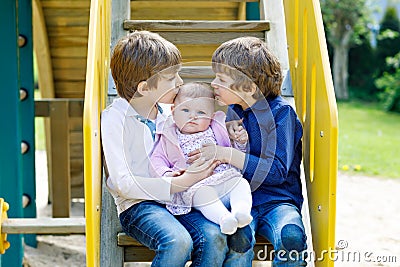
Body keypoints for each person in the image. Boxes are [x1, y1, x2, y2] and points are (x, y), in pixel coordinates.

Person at [101, 31, 253, 267]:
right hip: (139, 205)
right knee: (177, 241)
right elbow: (123, 183)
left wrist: (227, 128)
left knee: (215, 237)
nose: (181, 82)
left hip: (181, 201)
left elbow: (200, 128)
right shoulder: (116, 119)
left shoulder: (169, 115)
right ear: (144, 87)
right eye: (172, 77)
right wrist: (182, 182)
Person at [189, 36, 308, 266]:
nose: (213, 83)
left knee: (290, 236)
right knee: (238, 240)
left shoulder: (281, 115)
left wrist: (225, 153)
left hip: (278, 201)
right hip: (240, 200)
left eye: (221, 78)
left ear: (249, 87)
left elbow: (276, 172)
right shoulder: (234, 111)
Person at [150, 82, 252, 235]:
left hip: (226, 178)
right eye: (185, 110)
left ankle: (241, 211)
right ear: (173, 111)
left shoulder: (218, 128)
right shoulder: (168, 136)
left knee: (241, 183)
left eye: (201, 113)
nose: (193, 116)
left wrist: (240, 142)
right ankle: (224, 219)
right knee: (202, 196)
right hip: (198, 186)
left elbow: (234, 152)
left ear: (211, 116)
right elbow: (157, 161)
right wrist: (168, 175)